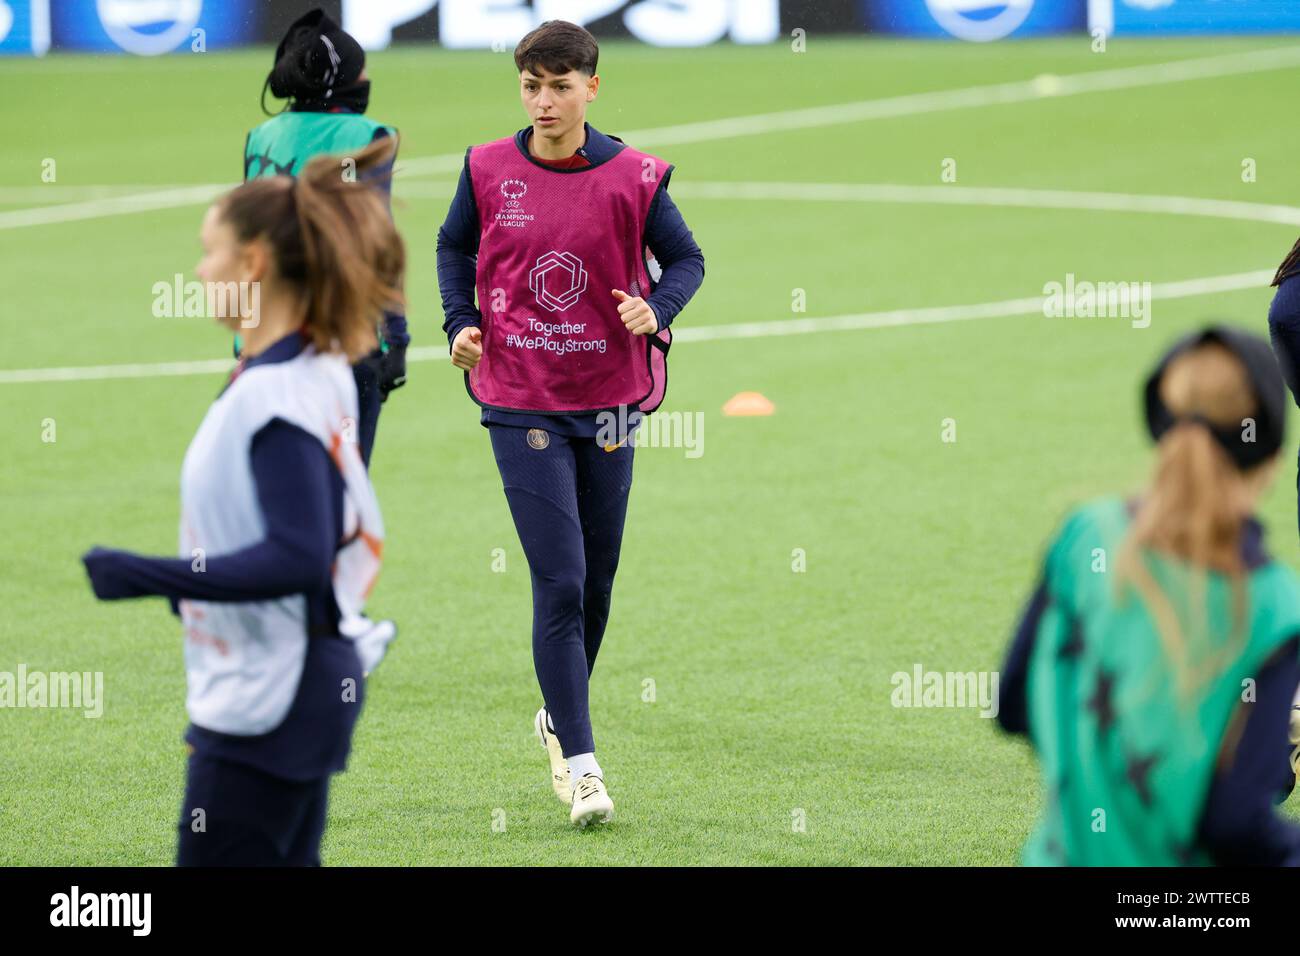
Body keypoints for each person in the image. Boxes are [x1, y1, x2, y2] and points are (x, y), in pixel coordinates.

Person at [80, 138, 403, 866]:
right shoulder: (311, 366)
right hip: (298, 680)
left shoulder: (275, 394)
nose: (198, 270)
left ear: (253, 263)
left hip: (274, 697)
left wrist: (142, 574)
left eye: (210, 251)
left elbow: (297, 555)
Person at [436, 19, 705, 826]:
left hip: (613, 398)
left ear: (593, 85)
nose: (544, 100)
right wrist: (460, 321)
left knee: (599, 576)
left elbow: (688, 258)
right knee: (560, 576)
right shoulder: (486, 169)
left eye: (560, 85)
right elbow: (454, 246)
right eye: (531, 85)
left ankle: (559, 713)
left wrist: (652, 309)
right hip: (520, 393)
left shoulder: (635, 176)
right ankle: (583, 766)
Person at [998, 325, 1300, 865]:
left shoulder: (1085, 536)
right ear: (1272, 459)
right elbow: (1235, 822)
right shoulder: (1274, 604)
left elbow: (1014, 703)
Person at [241, 6, 408, 467]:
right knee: (344, 493)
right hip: (347, 337)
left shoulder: (260, 137)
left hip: (269, 338)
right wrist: (398, 339)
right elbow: (379, 244)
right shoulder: (369, 135)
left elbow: (248, 246)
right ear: (341, 79)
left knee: (284, 488)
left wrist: (244, 342)